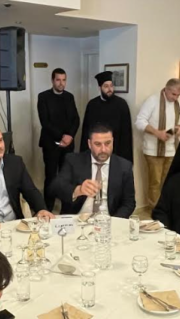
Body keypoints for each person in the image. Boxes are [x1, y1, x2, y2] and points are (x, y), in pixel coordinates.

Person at [51, 123, 136, 218]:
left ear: (113, 141)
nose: (103, 149)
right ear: (89, 144)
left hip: (109, 219)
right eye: (98, 144)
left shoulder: (124, 166)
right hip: (78, 219)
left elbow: (129, 203)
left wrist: (114, 222)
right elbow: (55, 187)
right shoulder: (73, 160)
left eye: (108, 143)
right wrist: (78, 190)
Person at [135, 78, 180, 206]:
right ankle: (155, 210)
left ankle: (165, 208)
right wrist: (157, 133)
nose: (175, 98)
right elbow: (139, 121)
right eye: (173, 94)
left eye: (178, 95)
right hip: (153, 149)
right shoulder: (152, 100)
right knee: (155, 182)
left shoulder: (179, 102)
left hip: (171, 149)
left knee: (169, 181)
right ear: (166, 89)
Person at [37, 68, 79, 210]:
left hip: (68, 144)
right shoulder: (43, 97)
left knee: (66, 177)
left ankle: (66, 208)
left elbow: (75, 119)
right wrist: (62, 136)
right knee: (51, 176)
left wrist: (70, 136)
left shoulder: (69, 97)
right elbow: (45, 122)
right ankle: (47, 208)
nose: (61, 83)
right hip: (51, 144)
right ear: (52, 80)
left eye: (64, 80)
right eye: (58, 80)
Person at [81, 71, 133, 164]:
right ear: (100, 88)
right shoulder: (92, 105)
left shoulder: (121, 104)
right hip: (96, 151)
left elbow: (126, 134)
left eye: (111, 86)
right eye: (106, 86)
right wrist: (84, 156)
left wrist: (126, 160)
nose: (110, 89)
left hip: (117, 151)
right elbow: (86, 131)